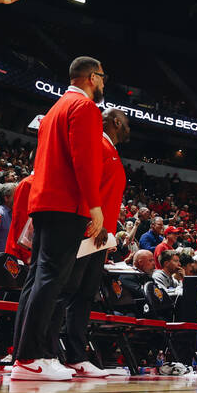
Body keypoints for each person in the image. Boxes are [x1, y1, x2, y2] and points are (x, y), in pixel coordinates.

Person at [10, 56, 107, 382]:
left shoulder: (53, 110)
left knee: (37, 278)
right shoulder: (86, 109)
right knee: (52, 279)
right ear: (92, 77)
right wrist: (95, 205)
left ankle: (28, 353)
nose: (104, 84)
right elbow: (84, 160)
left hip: (45, 202)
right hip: (67, 203)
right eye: (103, 78)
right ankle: (30, 356)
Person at [50, 107, 129, 378]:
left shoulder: (110, 148)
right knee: (67, 292)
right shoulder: (97, 143)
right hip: (88, 230)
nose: (129, 128)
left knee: (83, 296)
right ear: (117, 122)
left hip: (101, 235)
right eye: (127, 123)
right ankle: (48, 353)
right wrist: (91, 224)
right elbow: (85, 184)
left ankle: (76, 357)